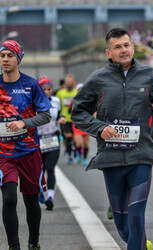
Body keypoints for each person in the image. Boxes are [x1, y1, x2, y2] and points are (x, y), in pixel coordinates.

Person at [71, 28, 153, 250]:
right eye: (117, 47)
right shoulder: (98, 79)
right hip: (111, 158)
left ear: (132, 47)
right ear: (109, 53)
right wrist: (99, 128)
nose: (123, 50)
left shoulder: (150, 76)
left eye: (126, 45)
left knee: (136, 214)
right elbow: (77, 113)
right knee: (123, 225)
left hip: (140, 155)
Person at [0, 40, 52, 250]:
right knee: (9, 198)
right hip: (4, 154)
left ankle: (33, 242)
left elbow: (46, 115)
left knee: (31, 201)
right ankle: (14, 246)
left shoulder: (31, 85)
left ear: (18, 58)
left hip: (30, 151)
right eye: (2, 56)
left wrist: (24, 122)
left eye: (9, 56)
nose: (5, 59)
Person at [37, 76, 66, 210]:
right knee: (39, 170)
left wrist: (62, 118)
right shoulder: (33, 102)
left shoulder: (55, 101)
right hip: (38, 139)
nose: (47, 92)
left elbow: (59, 114)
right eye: (44, 89)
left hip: (53, 138)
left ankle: (51, 198)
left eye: (49, 89)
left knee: (50, 168)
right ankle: (40, 193)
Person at [56, 74, 78, 164]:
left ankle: (75, 149)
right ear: (65, 82)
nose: (69, 83)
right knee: (68, 137)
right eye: (67, 81)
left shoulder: (77, 92)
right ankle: (70, 155)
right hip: (64, 119)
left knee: (75, 138)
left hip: (75, 119)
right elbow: (57, 106)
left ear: (73, 82)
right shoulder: (60, 93)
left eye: (70, 81)